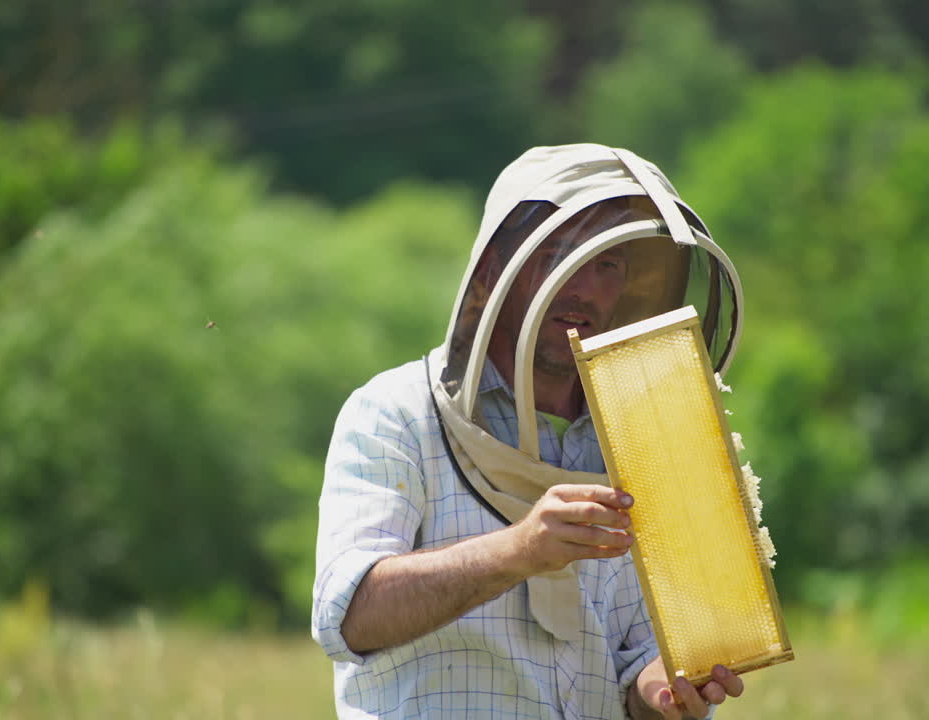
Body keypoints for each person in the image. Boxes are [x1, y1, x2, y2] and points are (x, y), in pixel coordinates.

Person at [313, 144, 747, 719]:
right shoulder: (395, 413)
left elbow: (643, 660)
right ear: (496, 270)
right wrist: (516, 551)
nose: (585, 288)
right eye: (560, 255)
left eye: (608, 265)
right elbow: (349, 616)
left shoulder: (648, 438)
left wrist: (665, 689)